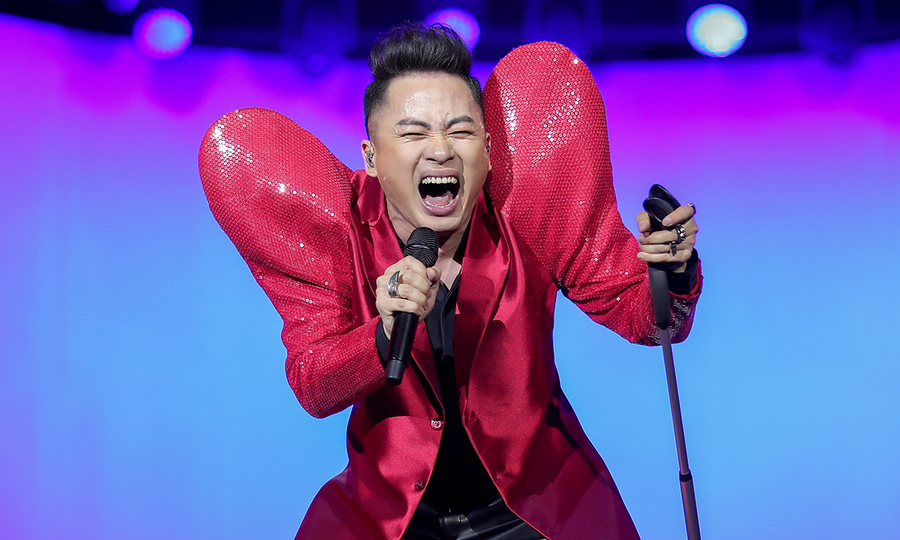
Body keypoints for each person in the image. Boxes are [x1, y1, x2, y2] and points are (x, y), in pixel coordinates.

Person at [200, 23, 701, 540]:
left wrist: (672, 271)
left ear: (487, 148)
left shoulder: (523, 212)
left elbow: (650, 321)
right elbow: (315, 384)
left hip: (539, 505)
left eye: (460, 132)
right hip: (389, 515)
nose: (440, 150)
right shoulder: (342, 229)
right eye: (413, 133)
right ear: (371, 157)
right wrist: (382, 334)